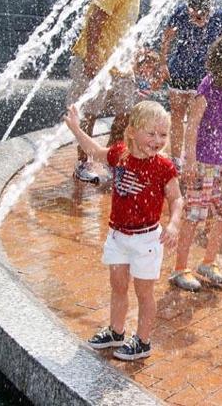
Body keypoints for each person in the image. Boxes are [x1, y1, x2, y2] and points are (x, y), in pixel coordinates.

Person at [64, 100, 183, 361]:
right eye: (151, 133)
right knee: (117, 285)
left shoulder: (164, 167)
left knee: (144, 292)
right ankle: (116, 331)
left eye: (163, 135)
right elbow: (95, 151)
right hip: (118, 235)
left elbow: (176, 199)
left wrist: (173, 223)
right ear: (132, 131)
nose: (157, 140)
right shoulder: (120, 154)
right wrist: (75, 128)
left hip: (147, 239)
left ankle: (142, 341)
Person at [67, 0, 162, 183]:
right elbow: (96, 19)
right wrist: (91, 57)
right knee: (89, 113)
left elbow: (123, 30)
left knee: (128, 114)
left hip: (119, 66)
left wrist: (137, 53)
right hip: (95, 63)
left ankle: (111, 161)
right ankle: (83, 165)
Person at [169, 35, 222, 291]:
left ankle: (208, 261)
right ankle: (179, 269)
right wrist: (190, 160)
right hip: (203, 161)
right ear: (221, 64)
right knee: (194, 216)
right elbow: (192, 125)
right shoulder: (208, 87)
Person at [159, 0, 222, 167]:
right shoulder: (181, 12)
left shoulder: (220, 18)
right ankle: (175, 160)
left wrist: (221, 73)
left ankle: (192, 158)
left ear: (209, 11)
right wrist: (162, 63)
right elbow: (167, 37)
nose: (197, 20)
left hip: (203, 75)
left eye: (201, 17)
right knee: (176, 115)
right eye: (193, 16)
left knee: (196, 118)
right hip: (179, 70)